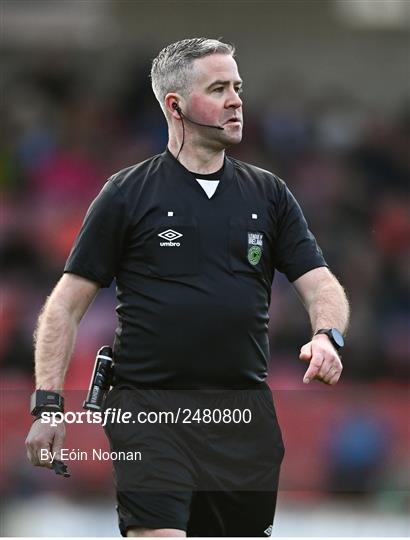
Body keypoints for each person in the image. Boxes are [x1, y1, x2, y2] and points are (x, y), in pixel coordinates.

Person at [25, 38, 350, 537]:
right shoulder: (127, 193)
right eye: (218, 89)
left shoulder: (269, 194)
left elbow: (320, 282)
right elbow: (64, 308)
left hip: (243, 414)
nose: (236, 100)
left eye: (237, 87)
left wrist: (327, 334)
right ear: (175, 106)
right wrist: (48, 406)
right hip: (149, 408)